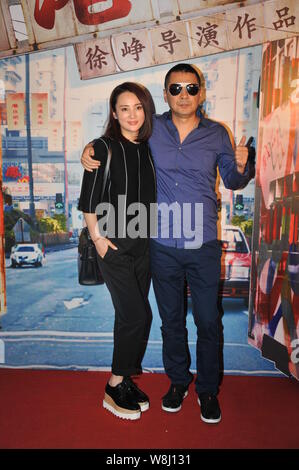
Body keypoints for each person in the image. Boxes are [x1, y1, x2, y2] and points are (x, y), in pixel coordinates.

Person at [81, 63, 255, 424]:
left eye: (192, 88)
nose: (184, 95)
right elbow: (117, 140)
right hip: (160, 242)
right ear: (165, 95)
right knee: (171, 321)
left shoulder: (217, 134)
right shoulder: (151, 129)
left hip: (202, 241)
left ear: (201, 92)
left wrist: (243, 165)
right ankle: (178, 382)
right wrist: (90, 149)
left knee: (209, 321)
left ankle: (207, 390)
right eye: (176, 89)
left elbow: (235, 181)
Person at [78, 82, 156, 421]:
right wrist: (97, 240)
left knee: (129, 317)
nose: (132, 114)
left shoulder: (148, 148)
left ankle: (124, 380)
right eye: (124, 108)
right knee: (138, 315)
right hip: (113, 246)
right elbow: (88, 202)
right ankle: (113, 386)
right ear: (114, 113)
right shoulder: (101, 147)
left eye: (138, 107)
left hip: (144, 246)